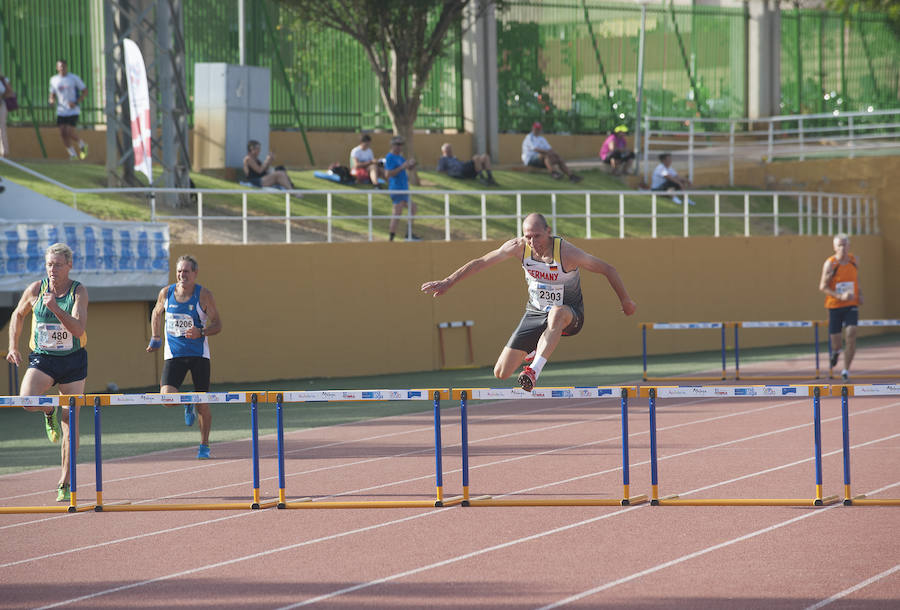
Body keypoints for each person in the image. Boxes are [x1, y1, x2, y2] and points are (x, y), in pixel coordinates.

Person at [421, 213, 636, 391]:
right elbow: (481, 263)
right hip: (535, 313)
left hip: (569, 315)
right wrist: (449, 281)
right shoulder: (518, 247)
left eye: (537, 236)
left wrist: (625, 300)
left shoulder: (567, 253)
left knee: (556, 313)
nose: (533, 242)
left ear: (548, 231)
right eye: (528, 237)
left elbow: (608, 269)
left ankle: (533, 370)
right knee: (501, 373)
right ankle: (535, 347)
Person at [6, 243, 88, 502]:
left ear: (69, 266)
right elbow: (18, 315)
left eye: (58, 264)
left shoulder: (78, 291)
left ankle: (65, 480)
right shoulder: (35, 289)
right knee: (27, 401)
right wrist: (12, 346)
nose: (53, 269)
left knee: (70, 423)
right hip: (43, 359)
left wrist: (55, 308)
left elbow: (77, 329)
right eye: (49, 264)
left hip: (73, 361)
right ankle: (48, 411)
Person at [146, 255, 223, 459]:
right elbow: (156, 313)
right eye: (179, 271)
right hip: (174, 354)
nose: (182, 275)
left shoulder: (204, 295)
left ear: (195, 274)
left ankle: (204, 445)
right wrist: (155, 337)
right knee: (166, 398)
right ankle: (186, 402)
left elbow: (217, 325)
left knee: (203, 404)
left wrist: (201, 332)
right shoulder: (166, 293)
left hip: (199, 355)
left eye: (186, 271)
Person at [819, 233, 862, 381]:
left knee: (851, 332)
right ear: (834, 247)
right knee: (836, 341)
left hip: (851, 305)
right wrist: (840, 296)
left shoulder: (854, 260)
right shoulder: (830, 263)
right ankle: (836, 352)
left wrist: (860, 293)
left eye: (845, 244)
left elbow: (856, 279)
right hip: (835, 306)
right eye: (839, 245)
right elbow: (823, 287)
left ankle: (846, 370)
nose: (842, 248)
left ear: (849, 246)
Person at [48, 59, 88, 161]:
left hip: (73, 110)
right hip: (61, 110)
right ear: (57, 68)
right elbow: (52, 94)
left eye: (64, 66)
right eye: (60, 66)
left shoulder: (73, 78)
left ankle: (82, 145)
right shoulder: (54, 80)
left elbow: (85, 91)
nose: (62, 68)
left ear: (67, 67)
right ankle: (73, 154)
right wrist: (51, 100)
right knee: (62, 133)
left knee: (69, 131)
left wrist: (76, 102)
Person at [383, 135, 420, 241]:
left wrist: (411, 165)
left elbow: (407, 168)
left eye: (401, 145)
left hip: (403, 189)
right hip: (396, 189)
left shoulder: (401, 157)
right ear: (392, 145)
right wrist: (402, 167)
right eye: (397, 144)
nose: (400, 147)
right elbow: (388, 174)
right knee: (397, 213)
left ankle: (408, 234)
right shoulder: (390, 157)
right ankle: (392, 237)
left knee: (412, 209)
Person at [0, 69, 11, 157]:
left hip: (1, 105)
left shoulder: (4, 80)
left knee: (1, 128)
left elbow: (10, 92)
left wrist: (1, 96)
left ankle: (4, 152)